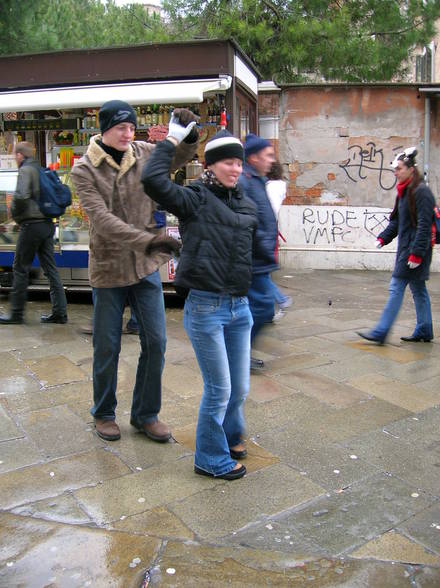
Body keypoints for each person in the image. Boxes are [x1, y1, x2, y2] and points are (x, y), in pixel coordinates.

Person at [70, 100, 198, 442]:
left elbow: (177, 158)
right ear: (104, 129)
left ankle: (145, 414)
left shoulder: (143, 151)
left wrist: (188, 135)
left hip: (144, 268)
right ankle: (104, 413)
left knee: (156, 342)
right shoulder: (83, 170)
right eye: (120, 128)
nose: (128, 133)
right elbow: (102, 221)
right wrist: (150, 241)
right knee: (107, 346)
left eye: (131, 127)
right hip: (109, 268)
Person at [142, 123, 258, 481]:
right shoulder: (194, 198)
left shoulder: (244, 200)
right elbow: (153, 181)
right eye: (227, 163)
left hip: (240, 307)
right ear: (210, 165)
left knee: (240, 388)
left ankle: (230, 436)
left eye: (239, 164)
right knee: (220, 388)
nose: (235, 169)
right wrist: (173, 139)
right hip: (206, 307)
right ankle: (208, 457)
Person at [357, 147, 435, 345]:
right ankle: (424, 329)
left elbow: (425, 226)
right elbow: (397, 221)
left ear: (410, 169)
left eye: (399, 169)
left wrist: (416, 255)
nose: (396, 173)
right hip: (408, 250)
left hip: (415, 252)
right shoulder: (404, 190)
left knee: (396, 287)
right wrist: (383, 238)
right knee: (418, 289)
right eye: (395, 169)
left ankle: (381, 332)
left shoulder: (421, 192)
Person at [0, 142, 67, 325]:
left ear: (20, 155)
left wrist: (14, 214)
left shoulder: (26, 170)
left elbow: (21, 197)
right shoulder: (41, 169)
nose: (14, 158)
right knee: (51, 269)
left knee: (20, 268)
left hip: (31, 225)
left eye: (15, 155)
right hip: (47, 224)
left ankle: (16, 313)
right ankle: (60, 312)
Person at [239, 134, 277, 371]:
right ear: (253, 158)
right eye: (268, 156)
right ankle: (239, 355)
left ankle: (240, 355)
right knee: (262, 308)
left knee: (259, 308)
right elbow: (249, 223)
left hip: (261, 258)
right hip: (255, 259)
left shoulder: (257, 179)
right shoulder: (246, 181)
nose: (272, 160)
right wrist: (264, 247)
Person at [266, 160, 292, 321]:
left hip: (266, 230)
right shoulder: (279, 185)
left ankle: (281, 299)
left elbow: (270, 209)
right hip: (270, 230)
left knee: (260, 273)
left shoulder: (270, 187)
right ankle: (268, 311)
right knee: (262, 272)